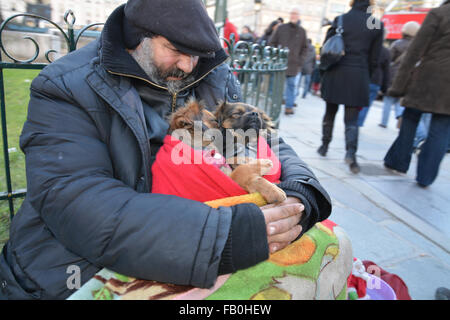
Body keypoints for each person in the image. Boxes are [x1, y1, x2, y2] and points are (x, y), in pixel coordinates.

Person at [0, 0, 332, 299]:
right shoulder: (66, 86)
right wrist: (223, 237)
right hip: (73, 267)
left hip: (205, 239)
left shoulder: (213, 72)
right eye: (175, 50)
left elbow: (265, 139)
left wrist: (302, 192)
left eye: (196, 53)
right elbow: (74, 200)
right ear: (136, 37)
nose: (189, 65)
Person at [384, 0, 450, 187]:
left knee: (411, 117)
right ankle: (426, 177)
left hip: (430, 76)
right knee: (441, 128)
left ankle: (398, 162)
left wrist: (398, 86)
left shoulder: (439, 14)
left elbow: (415, 51)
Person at [317, 0, 384, 174]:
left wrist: (323, 72)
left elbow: (327, 48)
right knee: (352, 120)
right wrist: (365, 76)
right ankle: (351, 155)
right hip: (358, 74)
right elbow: (375, 58)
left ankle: (324, 145)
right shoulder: (376, 24)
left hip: (336, 72)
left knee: (330, 112)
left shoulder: (340, 19)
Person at [379, 21, 420, 128]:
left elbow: (389, 60)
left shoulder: (397, 44)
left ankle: (384, 122)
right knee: (399, 102)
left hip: (394, 76)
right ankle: (399, 116)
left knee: (388, 101)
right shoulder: (417, 47)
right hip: (408, 77)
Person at [269, 7, 308, 115]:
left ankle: (289, 107)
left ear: (299, 16)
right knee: (277, 87)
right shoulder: (281, 28)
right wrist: (276, 56)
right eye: (292, 13)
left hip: (294, 65)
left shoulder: (302, 31)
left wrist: (300, 60)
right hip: (280, 63)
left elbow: (305, 47)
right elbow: (271, 43)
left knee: (291, 86)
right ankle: (274, 106)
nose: (293, 16)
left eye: (296, 14)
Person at [358, 32, 391, 127]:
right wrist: (385, 88)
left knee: (356, 101)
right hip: (376, 81)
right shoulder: (386, 52)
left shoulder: (366, 47)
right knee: (366, 104)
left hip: (363, 77)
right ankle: (358, 123)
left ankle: (353, 122)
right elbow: (386, 71)